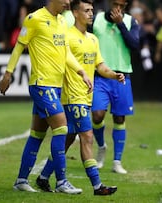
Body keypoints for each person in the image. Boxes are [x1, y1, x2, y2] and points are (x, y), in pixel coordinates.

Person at [0, 0, 92, 194]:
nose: (68, 2)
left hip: (55, 87)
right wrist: (8, 73)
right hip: (42, 84)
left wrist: (81, 71)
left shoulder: (63, 22)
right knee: (62, 128)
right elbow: (19, 46)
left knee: (37, 134)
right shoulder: (34, 19)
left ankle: (21, 180)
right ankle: (61, 182)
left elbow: (65, 53)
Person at [35, 0, 122, 195]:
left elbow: (100, 65)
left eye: (92, 10)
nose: (91, 14)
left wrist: (114, 74)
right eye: (87, 10)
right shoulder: (67, 36)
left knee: (68, 139)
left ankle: (43, 177)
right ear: (75, 13)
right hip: (72, 96)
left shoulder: (92, 39)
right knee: (87, 137)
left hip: (85, 96)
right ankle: (98, 186)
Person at [90, 0, 140, 174]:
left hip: (122, 76)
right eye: (115, 4)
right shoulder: (96, 20)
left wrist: (121, 25)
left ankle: (117, 161)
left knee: (119, 118)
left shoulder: (130, 21)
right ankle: (101, 146)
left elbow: (134, 45)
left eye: (122, 5)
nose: (118, 8)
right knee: (97, 115)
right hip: (100, 76)